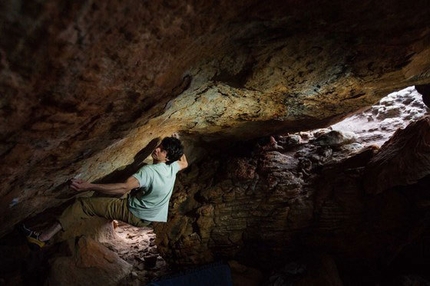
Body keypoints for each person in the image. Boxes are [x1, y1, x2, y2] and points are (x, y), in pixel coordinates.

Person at [21, 136, 188, 248]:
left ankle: (41, 238)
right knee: (115, 196)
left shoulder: (148, 172)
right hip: (150, 218)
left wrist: (89, 186)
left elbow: (124, 187)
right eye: (160, 146)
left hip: (134, 213)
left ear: (167, 157)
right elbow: (184, 162)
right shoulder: (172, 167)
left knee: (83, 205)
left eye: (163, 150)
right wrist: (177, 142)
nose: (157, 149)